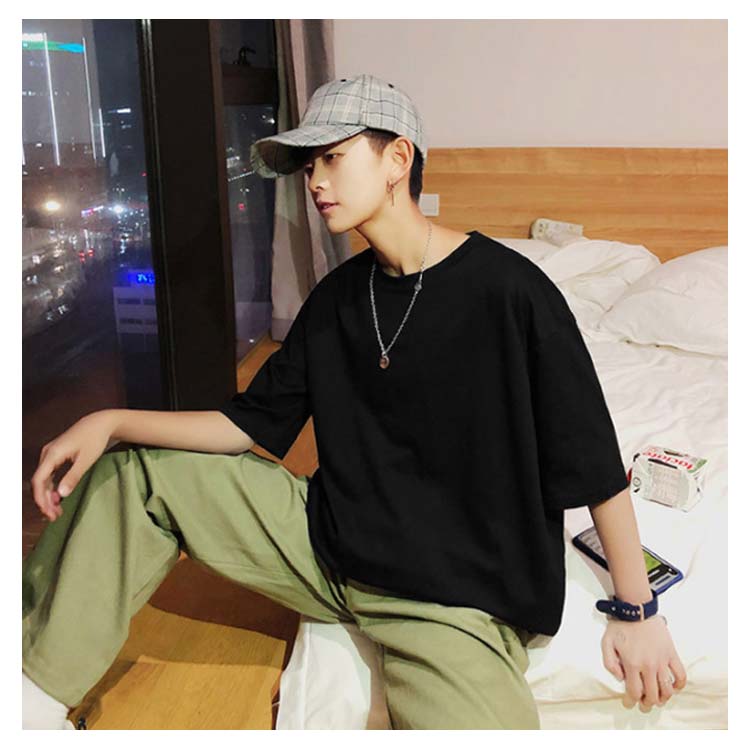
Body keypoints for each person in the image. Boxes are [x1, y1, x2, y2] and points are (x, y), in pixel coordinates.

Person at [22, 73, 686, 730]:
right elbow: (246, 424)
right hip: (325, 546)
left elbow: (591, 460)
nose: (315, 181)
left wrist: (637, 611)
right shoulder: (338, 297)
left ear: (398, 159)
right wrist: (109, 420)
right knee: (137, 469)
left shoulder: (512, 292)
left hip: (446, 600)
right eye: (309, 165)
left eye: (333, 158)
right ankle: (31, 699)